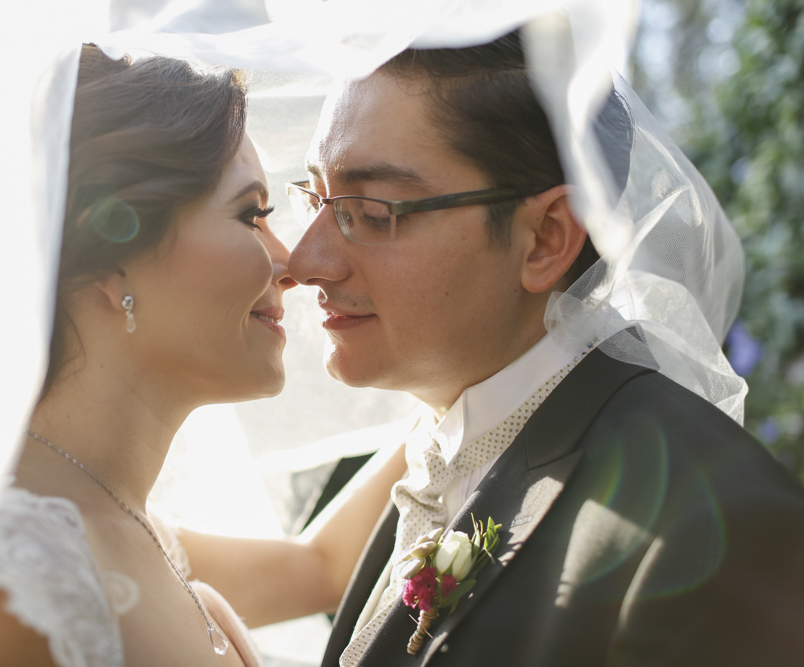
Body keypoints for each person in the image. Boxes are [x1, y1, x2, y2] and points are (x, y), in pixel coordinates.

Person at [280, 30, 804, 667]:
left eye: (371, 210)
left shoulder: (705, 530)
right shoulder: (452, 442)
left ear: (545, 239)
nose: (305, 261)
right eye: (315, 195)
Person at [0, 44, 298, 667]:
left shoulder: (146, 535)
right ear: (113, 252)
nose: (292, 261)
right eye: (252, 215)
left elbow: (323, 566)